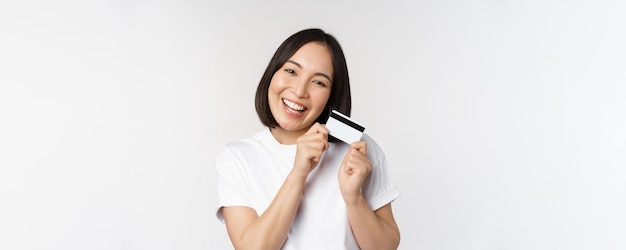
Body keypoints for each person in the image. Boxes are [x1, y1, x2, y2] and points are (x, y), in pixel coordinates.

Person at [215, 28, 401, 250]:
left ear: (331, 95)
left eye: (319, 82)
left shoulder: (359, 149)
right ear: (272, 74)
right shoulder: (237, 157)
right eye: (292, 71)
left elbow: (386, 247)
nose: (300, 91)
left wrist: (353, 197)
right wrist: (298, 173)